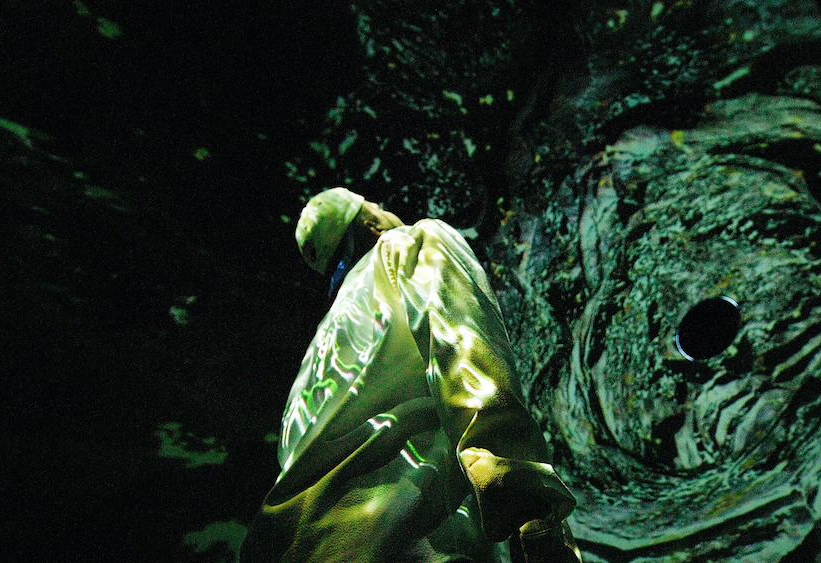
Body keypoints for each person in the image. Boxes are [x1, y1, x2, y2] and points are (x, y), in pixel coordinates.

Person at [239, 187, 582, 562]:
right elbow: (464, 352)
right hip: (406, 534)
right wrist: (527, 503)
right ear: (370, 225)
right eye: (376, 206)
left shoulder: (312, 364)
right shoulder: (411, 242)